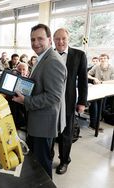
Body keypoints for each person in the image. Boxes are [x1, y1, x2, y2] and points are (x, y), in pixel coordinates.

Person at [12, 24, 67, 178]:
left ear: (49, 40)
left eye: (40, 39)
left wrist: (26, 101)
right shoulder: (43, 57)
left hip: (44, 124)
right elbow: (42, 86)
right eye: (32, 39)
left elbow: (54, 96)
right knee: (36, 163)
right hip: (38, 121)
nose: (35, 43)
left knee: (42, 166)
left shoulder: (52, 61)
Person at [53, 28, 88, 175]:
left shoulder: (79, 55)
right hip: (51, 101)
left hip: (68, 101)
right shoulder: (50, 54)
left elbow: (83, 81)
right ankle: (48, 157)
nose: (60, 41)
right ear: (53, 40)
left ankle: (64, 160)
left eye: (63, 38)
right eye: (57, 39)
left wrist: (82, 102)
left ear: (68, 39)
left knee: (66, 133)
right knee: (51, 132)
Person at [88, 53, 114, 130]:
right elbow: (87, 74)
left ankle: (96, 123)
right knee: (94, 105)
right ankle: (93, 124)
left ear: (108, 60)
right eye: (101, 59)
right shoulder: (96, 66)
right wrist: (94, 79)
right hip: (96, 89)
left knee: (101, 107)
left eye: (105, 58)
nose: (103, 60)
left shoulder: (112, 68)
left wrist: (103, 82)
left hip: (105, 90)